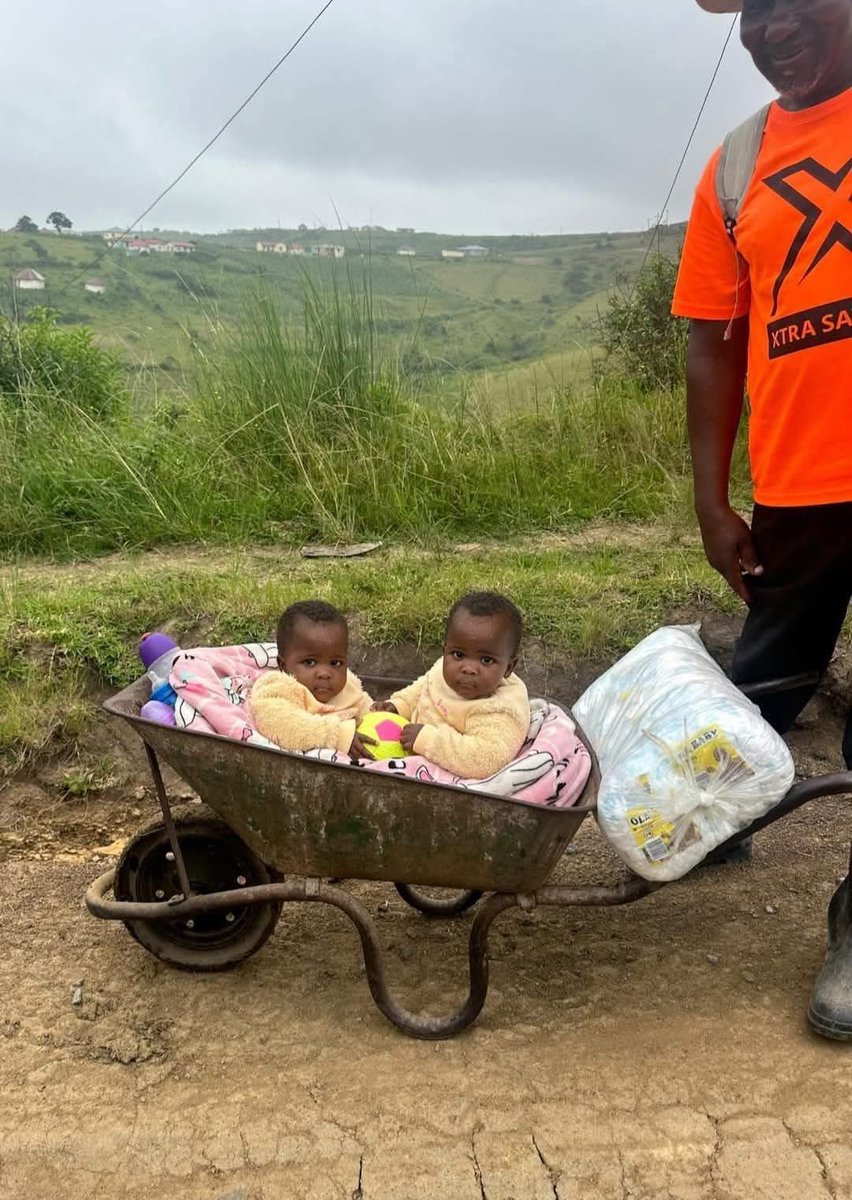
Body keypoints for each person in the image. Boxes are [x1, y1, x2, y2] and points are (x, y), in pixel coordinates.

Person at [673, 0, 852, 1039]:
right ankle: (714, 816)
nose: (773, 24)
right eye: (754, 9)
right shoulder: (737, 165)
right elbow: (711, 337)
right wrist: (711, 498)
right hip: (799, 484)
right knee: (769, 676)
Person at [374, 591, 530, 779]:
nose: (469, 668)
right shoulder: (444, 669)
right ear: (445, 651)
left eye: (486, 660)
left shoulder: (501, 709)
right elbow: (424, 687)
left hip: (446, 772)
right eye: (458, 655)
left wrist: (428, 740)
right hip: (410, 740)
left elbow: (485, 759)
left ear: (509, 667)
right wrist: (399, 706)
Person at [250, 600, 376, 759]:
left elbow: (367, 711)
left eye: (335, 663)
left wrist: (381, 712)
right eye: (309, 662)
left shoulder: (347, 688)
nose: (324, 673)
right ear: (283, 665)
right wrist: (339, 736)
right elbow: (283, 726)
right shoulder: (279, 688)